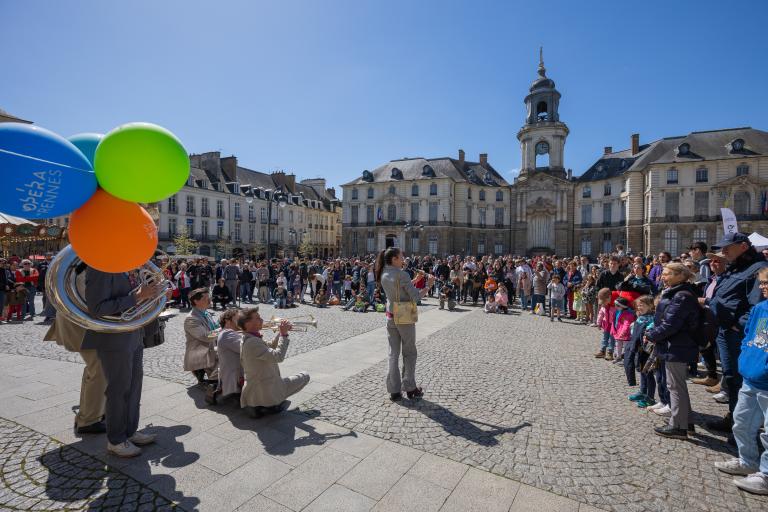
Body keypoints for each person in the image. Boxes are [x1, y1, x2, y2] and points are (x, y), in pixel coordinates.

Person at [82, 267, 162, 457]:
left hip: (134, 332)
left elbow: (135, 299)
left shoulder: (130, 269)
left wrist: (153, 296)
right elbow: (97, 309)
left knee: (134, 387)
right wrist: (138, 296)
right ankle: (116, 440)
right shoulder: (101, 269)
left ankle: (130, 431)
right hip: (114, 338)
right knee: (118, 390)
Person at [714, 267, 768, 495]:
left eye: (766, 283)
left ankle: (766, 475)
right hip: (751, 377)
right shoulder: (760, 308)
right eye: (762, 283)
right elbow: (750, 335)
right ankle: (748, 461)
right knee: (741, 422)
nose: (763, 287)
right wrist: (746, 356)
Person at [707, 232, 768, 433]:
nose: (723, 251)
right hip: (724, 330)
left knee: (738, 380)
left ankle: (742, 427)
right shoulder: (737, 266)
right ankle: (734, 418)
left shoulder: (758, 268)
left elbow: (758, 305)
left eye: (727, 247)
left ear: (743, 246)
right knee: (731, 377)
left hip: (736, 334)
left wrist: (738, 326)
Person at [644, 263, 700, 439]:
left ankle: (678, 426)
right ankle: (686, 422)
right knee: (677, 385)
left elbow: (670, 324)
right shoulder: (677, 292)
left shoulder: (681, 296)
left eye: (667, 274)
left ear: (680, 275)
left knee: (675, 386)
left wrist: (651, 335)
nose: (663, 277)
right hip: (673, 344)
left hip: (677, 345)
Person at [376, 247, 434, 401]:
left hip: (391, 315)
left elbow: (398, 289)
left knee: (393, 353)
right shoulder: (402, 274)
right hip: (404, 314)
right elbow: (415, 297)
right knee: (409, 352)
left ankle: (394, 390)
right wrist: (428, 285)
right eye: (401, 257)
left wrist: (414, 280)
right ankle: (410, 387)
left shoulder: (383, 272)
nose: (403, 260)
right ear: (394, 259)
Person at [44, 305, 107, 434]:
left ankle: (90, 414)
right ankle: (89, 420)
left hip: (82, 322)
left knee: (95, 368)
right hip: (82, 323)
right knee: (100, 369)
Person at [239, 307, 309, 416]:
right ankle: (271, 405)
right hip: (267, 389)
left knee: (294, 379)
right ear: (247, 323)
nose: (262, 320)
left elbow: (270, 345)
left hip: (262, 385)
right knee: (305, 376)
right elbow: (278, 356)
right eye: (258, 318)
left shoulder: (249, 337)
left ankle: (269, 404)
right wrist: (283, 334)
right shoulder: (252, 342)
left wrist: (281, 333)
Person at [183, 288, 219, 384]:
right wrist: (223, 329)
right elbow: (206, 336)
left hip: (211, 348)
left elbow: (215, 327)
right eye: (206, 298)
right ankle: (201, 371)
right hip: (202, 353)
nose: (209, 300)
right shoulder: (191, 319)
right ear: (196, 301)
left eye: (209, 297)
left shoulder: (206, 313)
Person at [626, 295, 656, 408]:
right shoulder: (641, 317)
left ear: (650, 306)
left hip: (647, 350)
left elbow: (650, 330)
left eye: (642, 305)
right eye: (638, 305)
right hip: (639, 349)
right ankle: (642, 392)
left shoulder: (652, 319)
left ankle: (650, 397)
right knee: (642, 371)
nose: (639, 307)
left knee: (648, 373)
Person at [215, 309, 243, 403]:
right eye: (238, 319)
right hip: (236, 374)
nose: (241, 322)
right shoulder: (227, 334)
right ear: (227, 320)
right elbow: (246, 348)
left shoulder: (228, 332)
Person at [610, 297, 636, 364]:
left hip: (625, 334)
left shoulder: (628, 314)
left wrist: (623, 332)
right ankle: (618, 357)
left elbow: (626, 324)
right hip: (618, 332)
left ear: (622, 306)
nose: (615, 306)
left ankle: (625, 359)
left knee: (625, 347)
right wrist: (613, 330)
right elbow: (614, 322)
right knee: (618, 345)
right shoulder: (617, 312)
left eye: (617, 305)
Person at [594, 288, 615, 359]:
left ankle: (610, 353)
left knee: (612, 339)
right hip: (606, 325)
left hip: (613, 325)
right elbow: (600, 314)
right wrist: (599, 323)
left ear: (609, 298)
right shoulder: (603, 307)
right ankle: (602, 351)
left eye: (604, 302)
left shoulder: (614, 306)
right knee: (604, 338)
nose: (603, 304)